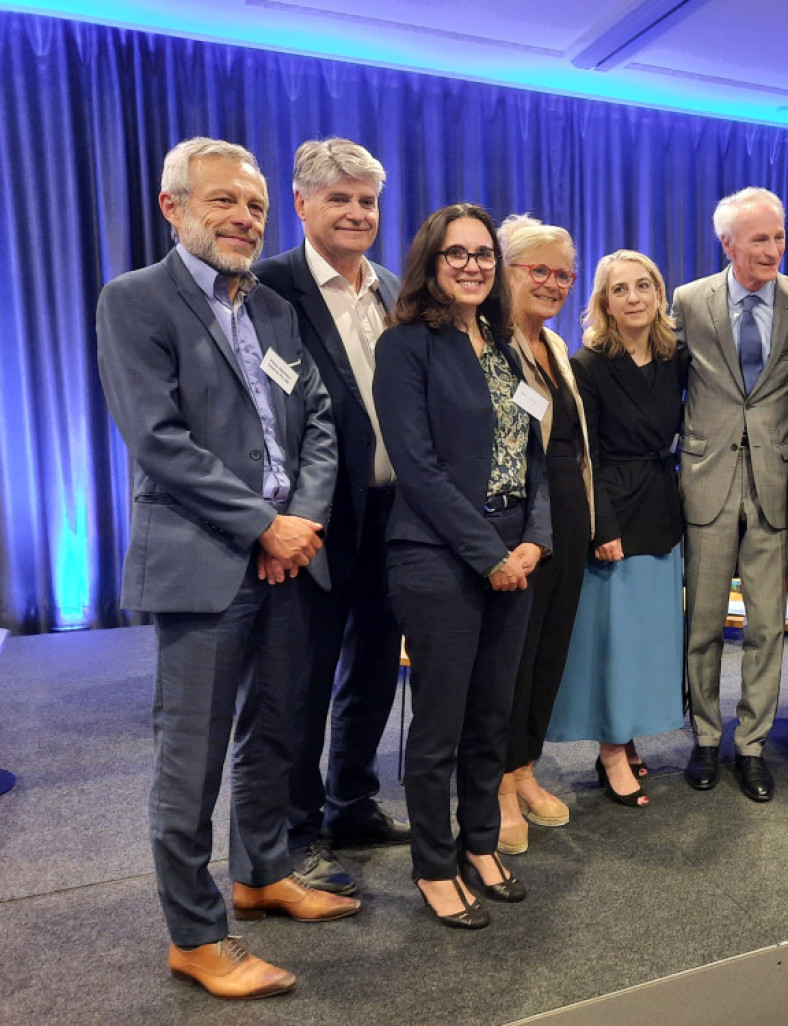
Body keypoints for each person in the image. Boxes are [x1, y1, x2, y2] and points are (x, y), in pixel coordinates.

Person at [96, 137, 358, 1001]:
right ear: (173, 208)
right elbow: (158, 439)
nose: (243, 218)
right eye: (223, 202)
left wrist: (303, 524)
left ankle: (260, 874)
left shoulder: (274, 309)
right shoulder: (136, 300)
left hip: (290, 558)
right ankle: (197, 935)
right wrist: (261, 527)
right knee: (192, 757)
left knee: (276, 732)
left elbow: (318, 419)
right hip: (205, 561)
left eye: (253, 206)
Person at [373, 203, 552, 927]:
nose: (473, 264)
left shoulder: (508, 348)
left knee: (490, 718)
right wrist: (489, 556)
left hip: (516, 555)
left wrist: (534, 540)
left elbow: (535, 458)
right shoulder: (406, 345)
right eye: (458, 253)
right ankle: (433, 864)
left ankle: (481, 842)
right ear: (431, 262)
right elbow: (416, 468)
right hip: (439, 558)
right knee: (440, 725)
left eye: (483, 254)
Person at [253, 138, 408, 900]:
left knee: (376, 667)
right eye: (340, 198)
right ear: (302, 203)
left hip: (391, 514)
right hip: (311, 519)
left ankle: (353, 802)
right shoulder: (267, 285)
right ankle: (294, 832)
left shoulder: (390, 286)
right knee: (302, 681)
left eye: (368, 201)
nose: (356, 212)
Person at [672, 187, 788, 802]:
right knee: (702, 624)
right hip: (706, 484)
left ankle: (753, 745)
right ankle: (706, 738)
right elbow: (665, 381)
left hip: (774, 487)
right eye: (759, 238)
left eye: (779, 237)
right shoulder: (689, 300)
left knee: (768, 625)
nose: (772, 249)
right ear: (728, 243)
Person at [546, 250, 688, 807]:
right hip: (613, 514)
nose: (633, 298)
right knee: (612, 643)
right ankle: (609, 753)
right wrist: (601, 525)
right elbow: (587, 455)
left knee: (646, 641)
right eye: (620, 289)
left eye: (643, 286)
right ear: (603, 302)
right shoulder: (588, 365)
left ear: (658, 293)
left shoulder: (676, 358)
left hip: (661, 507)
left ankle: (625, 737)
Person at [495, 214, 594, 853]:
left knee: (548, 652)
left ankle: (525, 768)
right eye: (540, 270)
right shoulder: (486, 345)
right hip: (516, 526)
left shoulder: (554, 346)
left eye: (564, 274)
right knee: (511, 657)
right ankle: (497, 783)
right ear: (504, 271)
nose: (554, 283)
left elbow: (577, 446)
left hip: (567, 520)